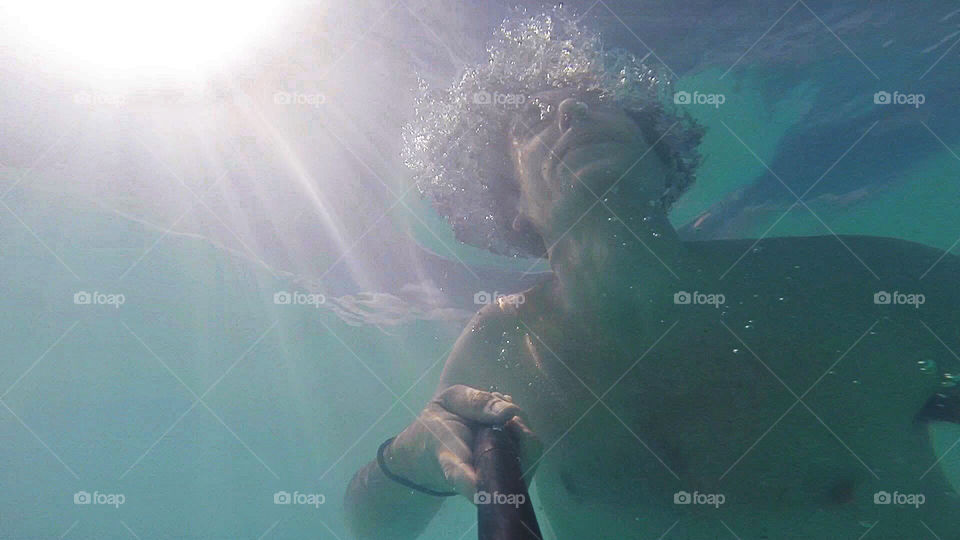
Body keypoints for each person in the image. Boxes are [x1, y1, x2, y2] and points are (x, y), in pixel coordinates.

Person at [345, 10, 960, 539]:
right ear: (514, 207)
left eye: (595, 106)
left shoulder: (865, 283)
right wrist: (409, 460)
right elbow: (375, 524)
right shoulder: (502, 347)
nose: (572, 115)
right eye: (533, 120)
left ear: (663, 160)